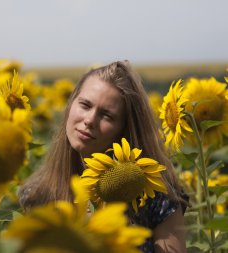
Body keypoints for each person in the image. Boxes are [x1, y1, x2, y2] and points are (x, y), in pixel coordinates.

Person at [19, 60, 188, 253]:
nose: (89, 120)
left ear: (124, 129)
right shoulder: (38, 195)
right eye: (85, 105)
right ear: (70, 105)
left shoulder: (155, 197)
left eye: (107, 115)